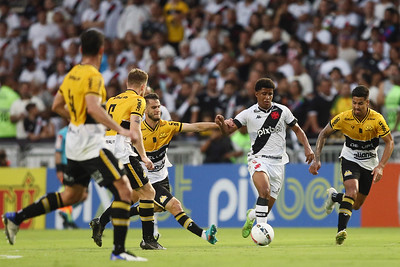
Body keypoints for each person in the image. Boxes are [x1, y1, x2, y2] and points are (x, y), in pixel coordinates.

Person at [2, 30, 147, 262]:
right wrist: (120, 129)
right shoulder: (94, 76)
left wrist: (76, 120)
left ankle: (16, 217)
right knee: (124, 190)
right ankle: (118, 251)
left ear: (80, 49)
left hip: (74, 139)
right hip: (90, 142)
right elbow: (92, 107)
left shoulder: (72, 74)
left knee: (72, 195)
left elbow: (57, 105)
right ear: (101, 50)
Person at [90, 93, 219, 247]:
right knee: (174, 206)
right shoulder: (138, 131)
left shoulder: (167, 126)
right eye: (153, 107)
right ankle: (204, 235)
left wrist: (218, 125)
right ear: (145, 111)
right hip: (146, 177)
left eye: (158, 106)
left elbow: (196, 127)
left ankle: (100, 221)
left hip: (162, 175)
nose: (158, 110)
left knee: (145, 205)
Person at [215, 77, 314, 239]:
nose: (267, 97)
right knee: (264, 191)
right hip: (258, 159)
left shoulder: (282, 111)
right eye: (264, 94)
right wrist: (221, 124)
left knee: (265, 208)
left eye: (270, 94)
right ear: (256, 94)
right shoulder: (248, 113)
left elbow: (298, 130)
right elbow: (227, 131)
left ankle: (252, 216)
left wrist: (308, 148)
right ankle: (261, 233)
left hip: (279, 162)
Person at [309, 85, 394, 245]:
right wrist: (316, 158)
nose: (356, 107)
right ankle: (341, 231)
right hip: (350, 158)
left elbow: (389, 142)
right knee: (351, 191)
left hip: (370, 163)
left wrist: (381, 166)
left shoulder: (377, 119)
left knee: (355, 205)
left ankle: (334, 197)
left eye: (360, 103)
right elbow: (323, 134)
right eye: (354, 103)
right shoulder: (344, 117)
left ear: (367, 102)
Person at [89, 68, 161, 250]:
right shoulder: (138, 101)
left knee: (130, 195)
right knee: (148, 193)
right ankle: (148, 240)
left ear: (127, 84)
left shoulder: (113, 100)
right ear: (143, 87)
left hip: (104, 148)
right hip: (121, 150)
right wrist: (143, 156)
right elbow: (135, 130)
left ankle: (101, 221)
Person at [55, 124, 86, 229]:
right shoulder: (61, 133)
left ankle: (65, 214)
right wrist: (59, 169)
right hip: (66, 166)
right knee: (69, 193)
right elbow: (58, 152)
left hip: (79, 165)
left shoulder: (83, 131)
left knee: (83, 196)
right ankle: (69, 219)